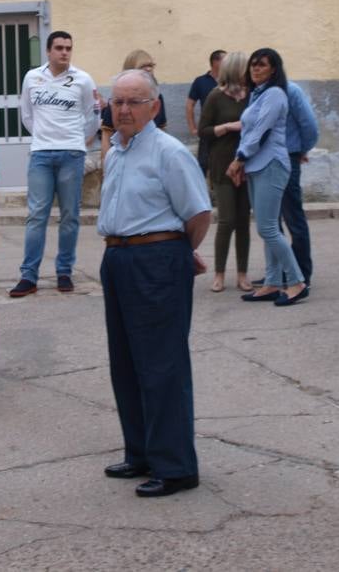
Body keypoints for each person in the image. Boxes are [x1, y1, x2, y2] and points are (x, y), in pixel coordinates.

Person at [97, 69, 211, 497]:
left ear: (154, 107)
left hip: (156, 261)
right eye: (118, 101)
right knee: (126, 362)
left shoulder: (169, 152)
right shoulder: (115, 152)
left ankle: (176, 465)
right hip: (118, 258)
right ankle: (141, 452)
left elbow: (199, 214)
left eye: (134, 102)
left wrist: (179, 252)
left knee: (162, 365)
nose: (123, 110)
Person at [10, 31, 99, 297]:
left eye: (68, 48)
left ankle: (64, 272)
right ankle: (29, 276)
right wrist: (44, 136)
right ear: (48, 51)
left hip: (72, 154)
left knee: (70, 215)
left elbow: (93, 115)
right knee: (37, 215)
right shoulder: (32, 77)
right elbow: (26, 113)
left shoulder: (83, 80)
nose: (64, 52)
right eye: (59, 48)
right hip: (41, 154)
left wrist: (76, 140)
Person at [226, 48, 307, 306]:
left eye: (262, 65)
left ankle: (296, 281)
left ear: (274, 69)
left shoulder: (274, 94)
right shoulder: (258, 94)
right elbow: (249, 131)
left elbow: (260, 132)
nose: (256, 69)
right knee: (266, 226)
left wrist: (239, 159)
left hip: (271, 164)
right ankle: (272, 283)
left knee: (269, 228)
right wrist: (242, 161)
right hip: (257, 165)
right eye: (253, 65)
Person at [197, 51, 252, 292]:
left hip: (248, 163)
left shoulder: (252, 95)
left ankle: (242, 274)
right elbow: (203, 131)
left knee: (243, 221)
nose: (249, 71)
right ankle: (219, 273)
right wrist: (229, 126)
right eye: (245, 67)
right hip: (222, 163)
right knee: (227, 219)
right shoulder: (215, 96)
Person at [282, 75, 319, 286]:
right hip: (267, 162)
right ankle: (278, 271)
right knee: (272, 223)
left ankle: (303, 272)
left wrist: (301, 149)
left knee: (293, 217)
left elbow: (310, 126)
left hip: (288, 158)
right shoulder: (260, 92)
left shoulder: (291, 91)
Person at [100, 49, 167, 163]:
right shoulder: (117, 99)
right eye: (143, 66)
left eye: (150, 65)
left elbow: (161, 129)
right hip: (122, 156)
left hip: (149, 157)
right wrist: (106, 165)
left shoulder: (157, 97)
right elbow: (107, 134)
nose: (149, 69)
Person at [186, 50, 224, 174]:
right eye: (225, 60)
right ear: (215, 62)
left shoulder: (229, 80)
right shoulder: (200, 81)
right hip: (207, 129)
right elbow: (190, 104)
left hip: (226, 130)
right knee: (203, 164)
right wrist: (193, 128)